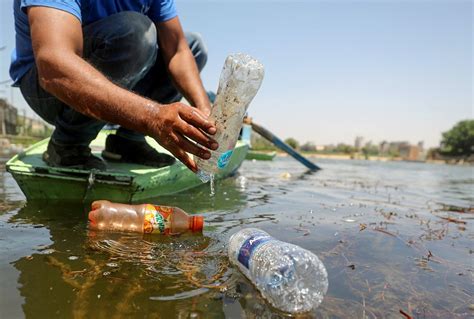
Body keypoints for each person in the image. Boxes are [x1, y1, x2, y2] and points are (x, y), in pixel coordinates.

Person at [9, 0, 218, 172]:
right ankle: (68, 144)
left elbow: (178, 51)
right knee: (136, 33)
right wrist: (152, 117)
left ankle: (128, 142)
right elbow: (53, 66)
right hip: (48, 89)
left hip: (115, 75)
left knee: (192, 45)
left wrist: (205, 111)